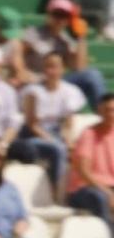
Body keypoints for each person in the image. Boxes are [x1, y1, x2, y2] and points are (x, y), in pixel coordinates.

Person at [16, 0, 106, 107]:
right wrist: (21, 71)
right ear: (49, 14)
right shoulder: (34, 33)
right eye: (57, 14)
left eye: (65, 16)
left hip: (56, 81)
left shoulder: (66, 41)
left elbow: (80, 67)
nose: (60, 19)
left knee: (92, 75)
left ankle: (107, 114)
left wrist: (81, 36)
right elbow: (17, 52)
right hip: (36, 81)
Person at [18, 49, 84, 190]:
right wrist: (52, 140)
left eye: (55, 66)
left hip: (56, 133)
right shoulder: (33, 92)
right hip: (32, 135)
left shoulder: (70, 92)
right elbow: (32, 125)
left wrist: (69, 142)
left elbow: (68, 124)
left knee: (79, 150)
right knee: (57, 149)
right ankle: (56, 189)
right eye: (48, 66)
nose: (51, 71)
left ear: (63, 69)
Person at [65, 90, 114, 228]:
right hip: (84, 189)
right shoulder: (89, 134)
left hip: (108, 187)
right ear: (100, 111)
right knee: (100, 199)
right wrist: (107, 192)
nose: (111, 114)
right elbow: (83, 171)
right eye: (108, 110)